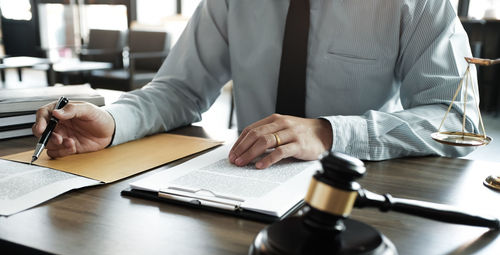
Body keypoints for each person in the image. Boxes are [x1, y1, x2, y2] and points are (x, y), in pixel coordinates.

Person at [33, 0, 479, 169]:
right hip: (245, 183)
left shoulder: (420, 3)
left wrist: (328, 132)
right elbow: (179, 90)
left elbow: (456, 116)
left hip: (358, 187)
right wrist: (111, 122)